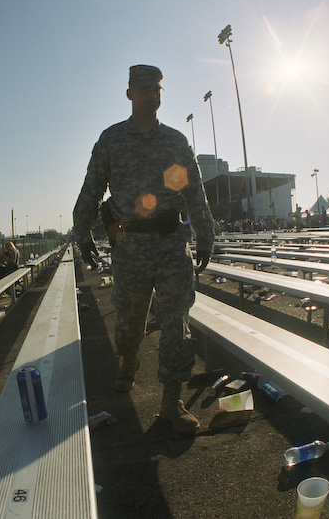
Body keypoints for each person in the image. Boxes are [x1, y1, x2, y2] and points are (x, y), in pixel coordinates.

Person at [72, 65, 215, 433]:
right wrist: (83, 233)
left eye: (157, 89)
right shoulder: (112, 140)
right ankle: (128, 358)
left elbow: (193, 191)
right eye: (145, 88)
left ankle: (171, 401)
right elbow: (92, 188)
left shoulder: (175, 142)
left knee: (175, 321)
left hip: (170, 243)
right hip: (130, 246)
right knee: (129, 319)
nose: (152, 94)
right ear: (130, 94)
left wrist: (205, 233)